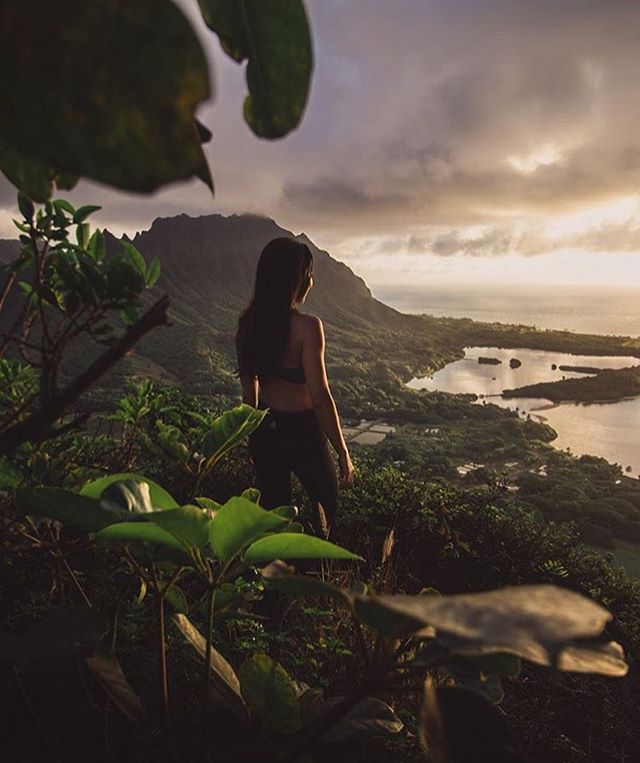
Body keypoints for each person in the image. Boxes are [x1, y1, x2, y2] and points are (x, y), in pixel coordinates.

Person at [236, 237, 354, 536]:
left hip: (265, 429)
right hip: (305, 434)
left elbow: (249, 396)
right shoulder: (308, 328)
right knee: (327, 512)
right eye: (308, 274)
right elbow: (320, 397)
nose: (311, 281)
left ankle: (279, 577)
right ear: (295, 279)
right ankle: (318, 575)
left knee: (274, 521)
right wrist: (342, 450)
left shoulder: (247, 324)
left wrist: (251, 440)